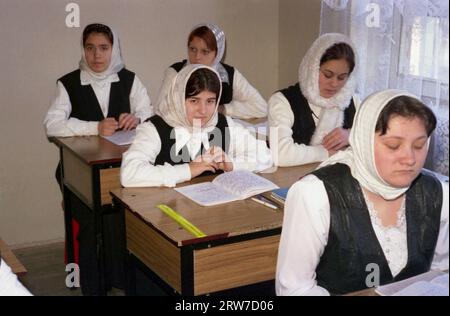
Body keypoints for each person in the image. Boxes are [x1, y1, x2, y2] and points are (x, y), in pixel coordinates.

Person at [276, 89, 449, 295]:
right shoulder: (315, 194)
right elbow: (295, 289)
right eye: (393, 146)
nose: (409, 159)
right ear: (363, 140)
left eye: (419, 145)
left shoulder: (437, 193)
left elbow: (442, 271)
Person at [44, 23, 153, 295]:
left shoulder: (129, 79)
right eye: (90, 48)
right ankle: (94, 287)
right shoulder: (68, 82)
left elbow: (150, 113)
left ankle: (123, 281)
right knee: (93, 224)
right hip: (79, 172)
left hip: (121, 168)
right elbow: (52, 125)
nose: (96, 55)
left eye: (103, 48)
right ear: (83, 49)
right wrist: (94, 127)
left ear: (114, 49)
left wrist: (137, 118)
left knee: (122, 222)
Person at [121, 64, 272, 187]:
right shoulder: (154, 128)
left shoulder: (223, 124)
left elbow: (266, 156)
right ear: (178, 99)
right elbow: (129, 174)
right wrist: (188, 170)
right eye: (194, 101)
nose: (203, 110)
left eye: (210, 101)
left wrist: (232, 164)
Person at [268, 33, 359, 166]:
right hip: (292, 182)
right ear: (312, 69)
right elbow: (280, 154)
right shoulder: (282, 101)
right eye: (328, 75)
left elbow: (376, 140)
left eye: (342, 77)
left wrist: (351, 135)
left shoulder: (352, 101)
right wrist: (328, 153)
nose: (334, 84)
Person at [155, 23, 267, 120]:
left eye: (205, 51)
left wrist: (223, 109)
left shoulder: (228, 74)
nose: (197, 57)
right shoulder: (176, 72)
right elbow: (160, 110)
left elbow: (261, 107)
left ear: (217, 53)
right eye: (193, 49)